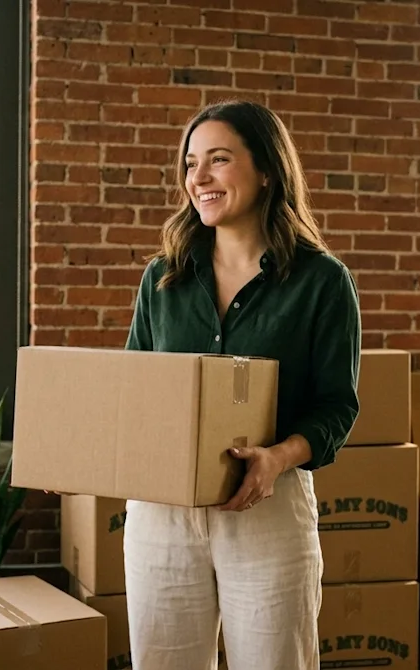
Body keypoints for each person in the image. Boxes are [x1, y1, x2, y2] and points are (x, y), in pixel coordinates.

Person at [122, 99, 362, 670]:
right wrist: (79, 456)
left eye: (219, 160)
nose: (198, 178)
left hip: (268, 507)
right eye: (189, 164)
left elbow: (335, 406)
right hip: (163, 513)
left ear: (266, 170)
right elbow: (134, 390)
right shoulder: (163, 277)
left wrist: (277, 458)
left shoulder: (321, 282)